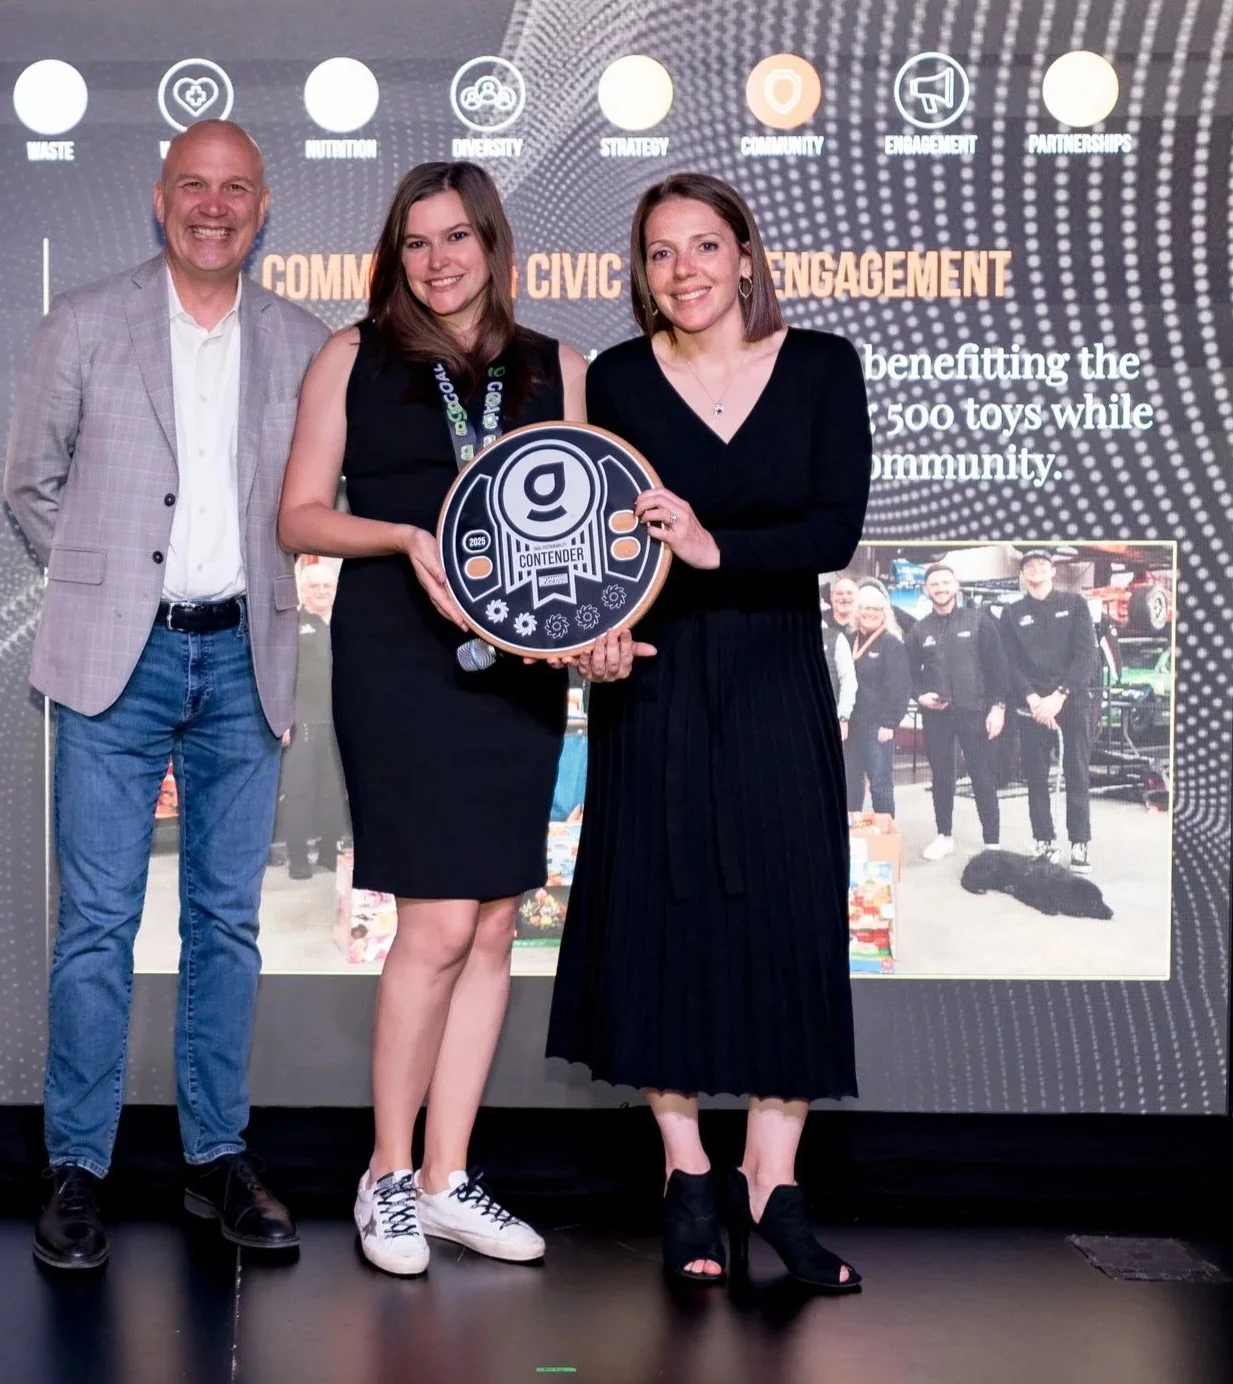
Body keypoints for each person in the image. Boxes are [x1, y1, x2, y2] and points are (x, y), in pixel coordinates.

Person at [4, 120, 330, 1271]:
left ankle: (214, 1162)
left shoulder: (302, 339)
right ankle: (77, 1171)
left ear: (262, 206)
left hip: (246, 659)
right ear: (160, 200)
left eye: (235, 187)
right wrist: (106, 590)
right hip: (116, 663)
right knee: (95, 925)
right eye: (194, 184)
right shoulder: (87, 321)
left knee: (226, 925)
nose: (213, 204)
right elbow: (30, 487)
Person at [546, 172, 869, 1292]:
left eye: (703, 246)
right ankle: (686, 1173)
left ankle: (772, 1182)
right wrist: (594, 633)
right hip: (658, 676)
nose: (682, 271)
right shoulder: (622, 379)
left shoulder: (824, 365)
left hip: (777, 668)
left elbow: (837, 524)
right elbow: (599, 544)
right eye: (660, 253)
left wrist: (714, 546)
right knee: (659, 916)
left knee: (787, 915)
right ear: (642, 273)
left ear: (745, 255)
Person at [278, 161, 585, 1276]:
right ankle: (387, 1175)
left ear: (493, 245)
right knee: (437, 926)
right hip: (399, 655)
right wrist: (407, 537)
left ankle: (452, 1178)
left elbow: (588, 527)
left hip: (519, 660)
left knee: (496, 922)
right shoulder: (353, 356)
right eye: (418, 243)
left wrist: (592, 622)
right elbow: (300, 514)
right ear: (393, 255)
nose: (440, 260)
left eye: (459, 237)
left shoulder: (559, 365)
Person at [991, 547, 1097, 872]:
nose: (1035, 568)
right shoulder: (1012, 613)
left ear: (1053, 570)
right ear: (1022, 574)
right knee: (1036, 776)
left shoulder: (1075, 604)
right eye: (1029, 565)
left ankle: (1079, 843)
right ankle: (1045, 841)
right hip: (1033, 707)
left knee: (1076, 772)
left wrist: (1060, 695)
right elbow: (1008, 662)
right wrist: (1033, 698)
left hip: (1072, 701)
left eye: (1042, 563)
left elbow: (1086, 655)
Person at [910, 562, 1007, 858]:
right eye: (934, 584)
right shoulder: (919, 629)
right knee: (941, 777)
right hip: (937, 716)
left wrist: (998, 708)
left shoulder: (979, 621)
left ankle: (992, 842)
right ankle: (944, 835)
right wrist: (920, 696)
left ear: (956, 587)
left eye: (945, 583)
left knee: (982, 776)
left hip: (975, 712)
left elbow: (997, 668)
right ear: (926, 590)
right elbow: (910, 672)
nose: (940, 588)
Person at [276, 557, 346, 879]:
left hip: (340, 725)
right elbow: (280, 675)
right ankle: (298, 857)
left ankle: (330, 853)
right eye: (314, 586)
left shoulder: (346, 623)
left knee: (335, 793)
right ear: (302, 591)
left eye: (327, 585)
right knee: (299, 793)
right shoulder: (291, 626)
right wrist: (283, 720)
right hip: (301, 723)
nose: (321, 591)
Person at [846, 582, 911, 816]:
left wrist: (889, 723)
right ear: (857, 610)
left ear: (884, 613)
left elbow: (899, 687)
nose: (869, 613)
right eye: (865, 608)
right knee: (851, 783)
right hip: (850, 725)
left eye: (875, 609)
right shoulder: (849, 638)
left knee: (880, 782)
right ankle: (850, 836)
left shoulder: (891, 643)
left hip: (876, 726)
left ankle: (886, 834)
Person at [822, 575, 859, 740]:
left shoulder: (869, 622)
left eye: (849, 593)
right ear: (831, 597)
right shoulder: (822, 628)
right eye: (839, 594)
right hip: (832, 712)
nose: (844, 598)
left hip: (863, 716)